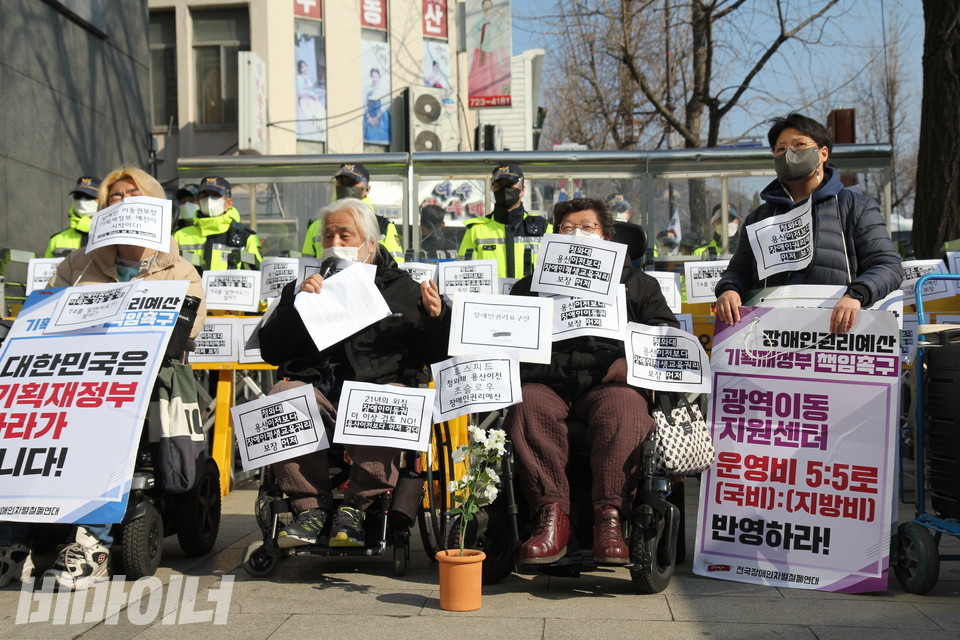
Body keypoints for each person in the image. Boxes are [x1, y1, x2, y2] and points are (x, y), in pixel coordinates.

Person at [0, 167, 207, 591]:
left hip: (136, 382)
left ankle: (91, 546)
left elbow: (189, 331)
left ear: (152, 204)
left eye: (134, 194)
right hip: (70, 376)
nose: (124, 201)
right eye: (116, 195)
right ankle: (10, 544)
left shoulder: (180, 270)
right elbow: (43, 316)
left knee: (102, 427)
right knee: (21, 426)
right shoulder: (77, 265)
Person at [258, 198, 449, 549]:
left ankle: (356, 508)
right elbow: (271, 352)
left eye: (345, 235)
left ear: (370, 245)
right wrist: (295, 304)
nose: (335, 243)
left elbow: (432, 355)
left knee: (384, 399)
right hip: (320, 390)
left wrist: (437, 319)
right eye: (328, 235)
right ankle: (309, 508)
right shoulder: (304, 285)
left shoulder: (403, 289)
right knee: (282, 396)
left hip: (375, 389)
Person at [505, 197, 679, 565]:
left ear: (608, 236)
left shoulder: (638, 285)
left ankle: (610, 518)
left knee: (626, 408)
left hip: (609, 384)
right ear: (554, 238)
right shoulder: (528, 288)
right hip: (548, 383)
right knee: (526, 403)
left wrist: (631, 361)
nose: (579, 234)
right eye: (568, 228)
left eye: (589, 227)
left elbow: (667, 338)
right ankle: (553, 517)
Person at [714, 113, 904, 334]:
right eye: (780, 149)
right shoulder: (759, 218)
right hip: (771, 337)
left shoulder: (856, 207)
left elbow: (888, 266)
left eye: (799, 145)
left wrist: (856, 295)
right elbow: (738, 271)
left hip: (839, 335)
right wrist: (729, 289)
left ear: (823, 153)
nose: (788, 154)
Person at [457, 164, 552, 278]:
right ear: (493, 189)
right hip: (489, 296)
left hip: (530, 296)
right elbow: (463, 273)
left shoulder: (544, 228)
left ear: (522, 190)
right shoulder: (475, 230)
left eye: (510, 185)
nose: (505, 189)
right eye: (500, 185)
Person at [301, 163, 404, 263]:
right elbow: (307, 263)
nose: (346, 187)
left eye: (352, 182)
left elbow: (395, 265)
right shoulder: (316, 225)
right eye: (342, 182)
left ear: (367, 189)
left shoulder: (383, 226)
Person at [173, 176, 262, 271]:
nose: (208, 200)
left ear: (229, 203)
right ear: (198, 201)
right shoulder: (179, 236)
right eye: (204, 195)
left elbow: (257, 274)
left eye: (215, 195)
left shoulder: (246, 238)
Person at [44, 176, 101, 257]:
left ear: (102, 199)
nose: (82, 200)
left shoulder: (112, 237)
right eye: (77, 196)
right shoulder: (57, 239)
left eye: (89, 196)